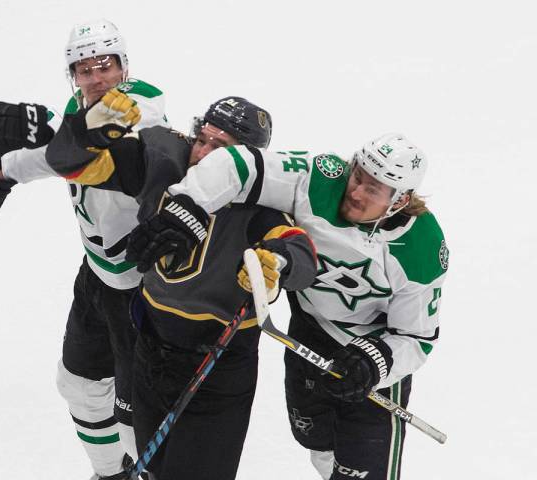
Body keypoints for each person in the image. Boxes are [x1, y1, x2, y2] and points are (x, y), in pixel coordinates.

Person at [127, 133, 448, 480]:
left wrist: (377, 361)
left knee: (365, 468)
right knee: (317, 440)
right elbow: (237, 163)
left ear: (399, 200)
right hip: (307, 335)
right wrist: (189, 207)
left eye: (373, 190)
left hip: (369, 359)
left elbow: (416, 337)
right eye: (358, 177)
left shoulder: (422, 247)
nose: (355, 192)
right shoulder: (318, 179)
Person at [46, 91, 318, 480]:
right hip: (152, 351)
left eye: (220, 148)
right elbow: (71, 162)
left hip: (216, 366)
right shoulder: (166, 168)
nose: (202, 154)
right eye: (202, 139)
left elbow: (302, 253)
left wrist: (276, 262)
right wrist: (88, 127)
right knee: (150, 469)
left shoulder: (261, 208)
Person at [0, 19, 169, 480]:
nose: (95, 78)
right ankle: (109, 474)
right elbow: (64, 151)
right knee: (78, 386)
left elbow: (103, 142)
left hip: (145, 293)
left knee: (141, 423)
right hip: (97, 276)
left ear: (123, 67)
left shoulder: (144, 105)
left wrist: (47, 126)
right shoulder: (80, 112)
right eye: (83, 69)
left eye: (104, 66)